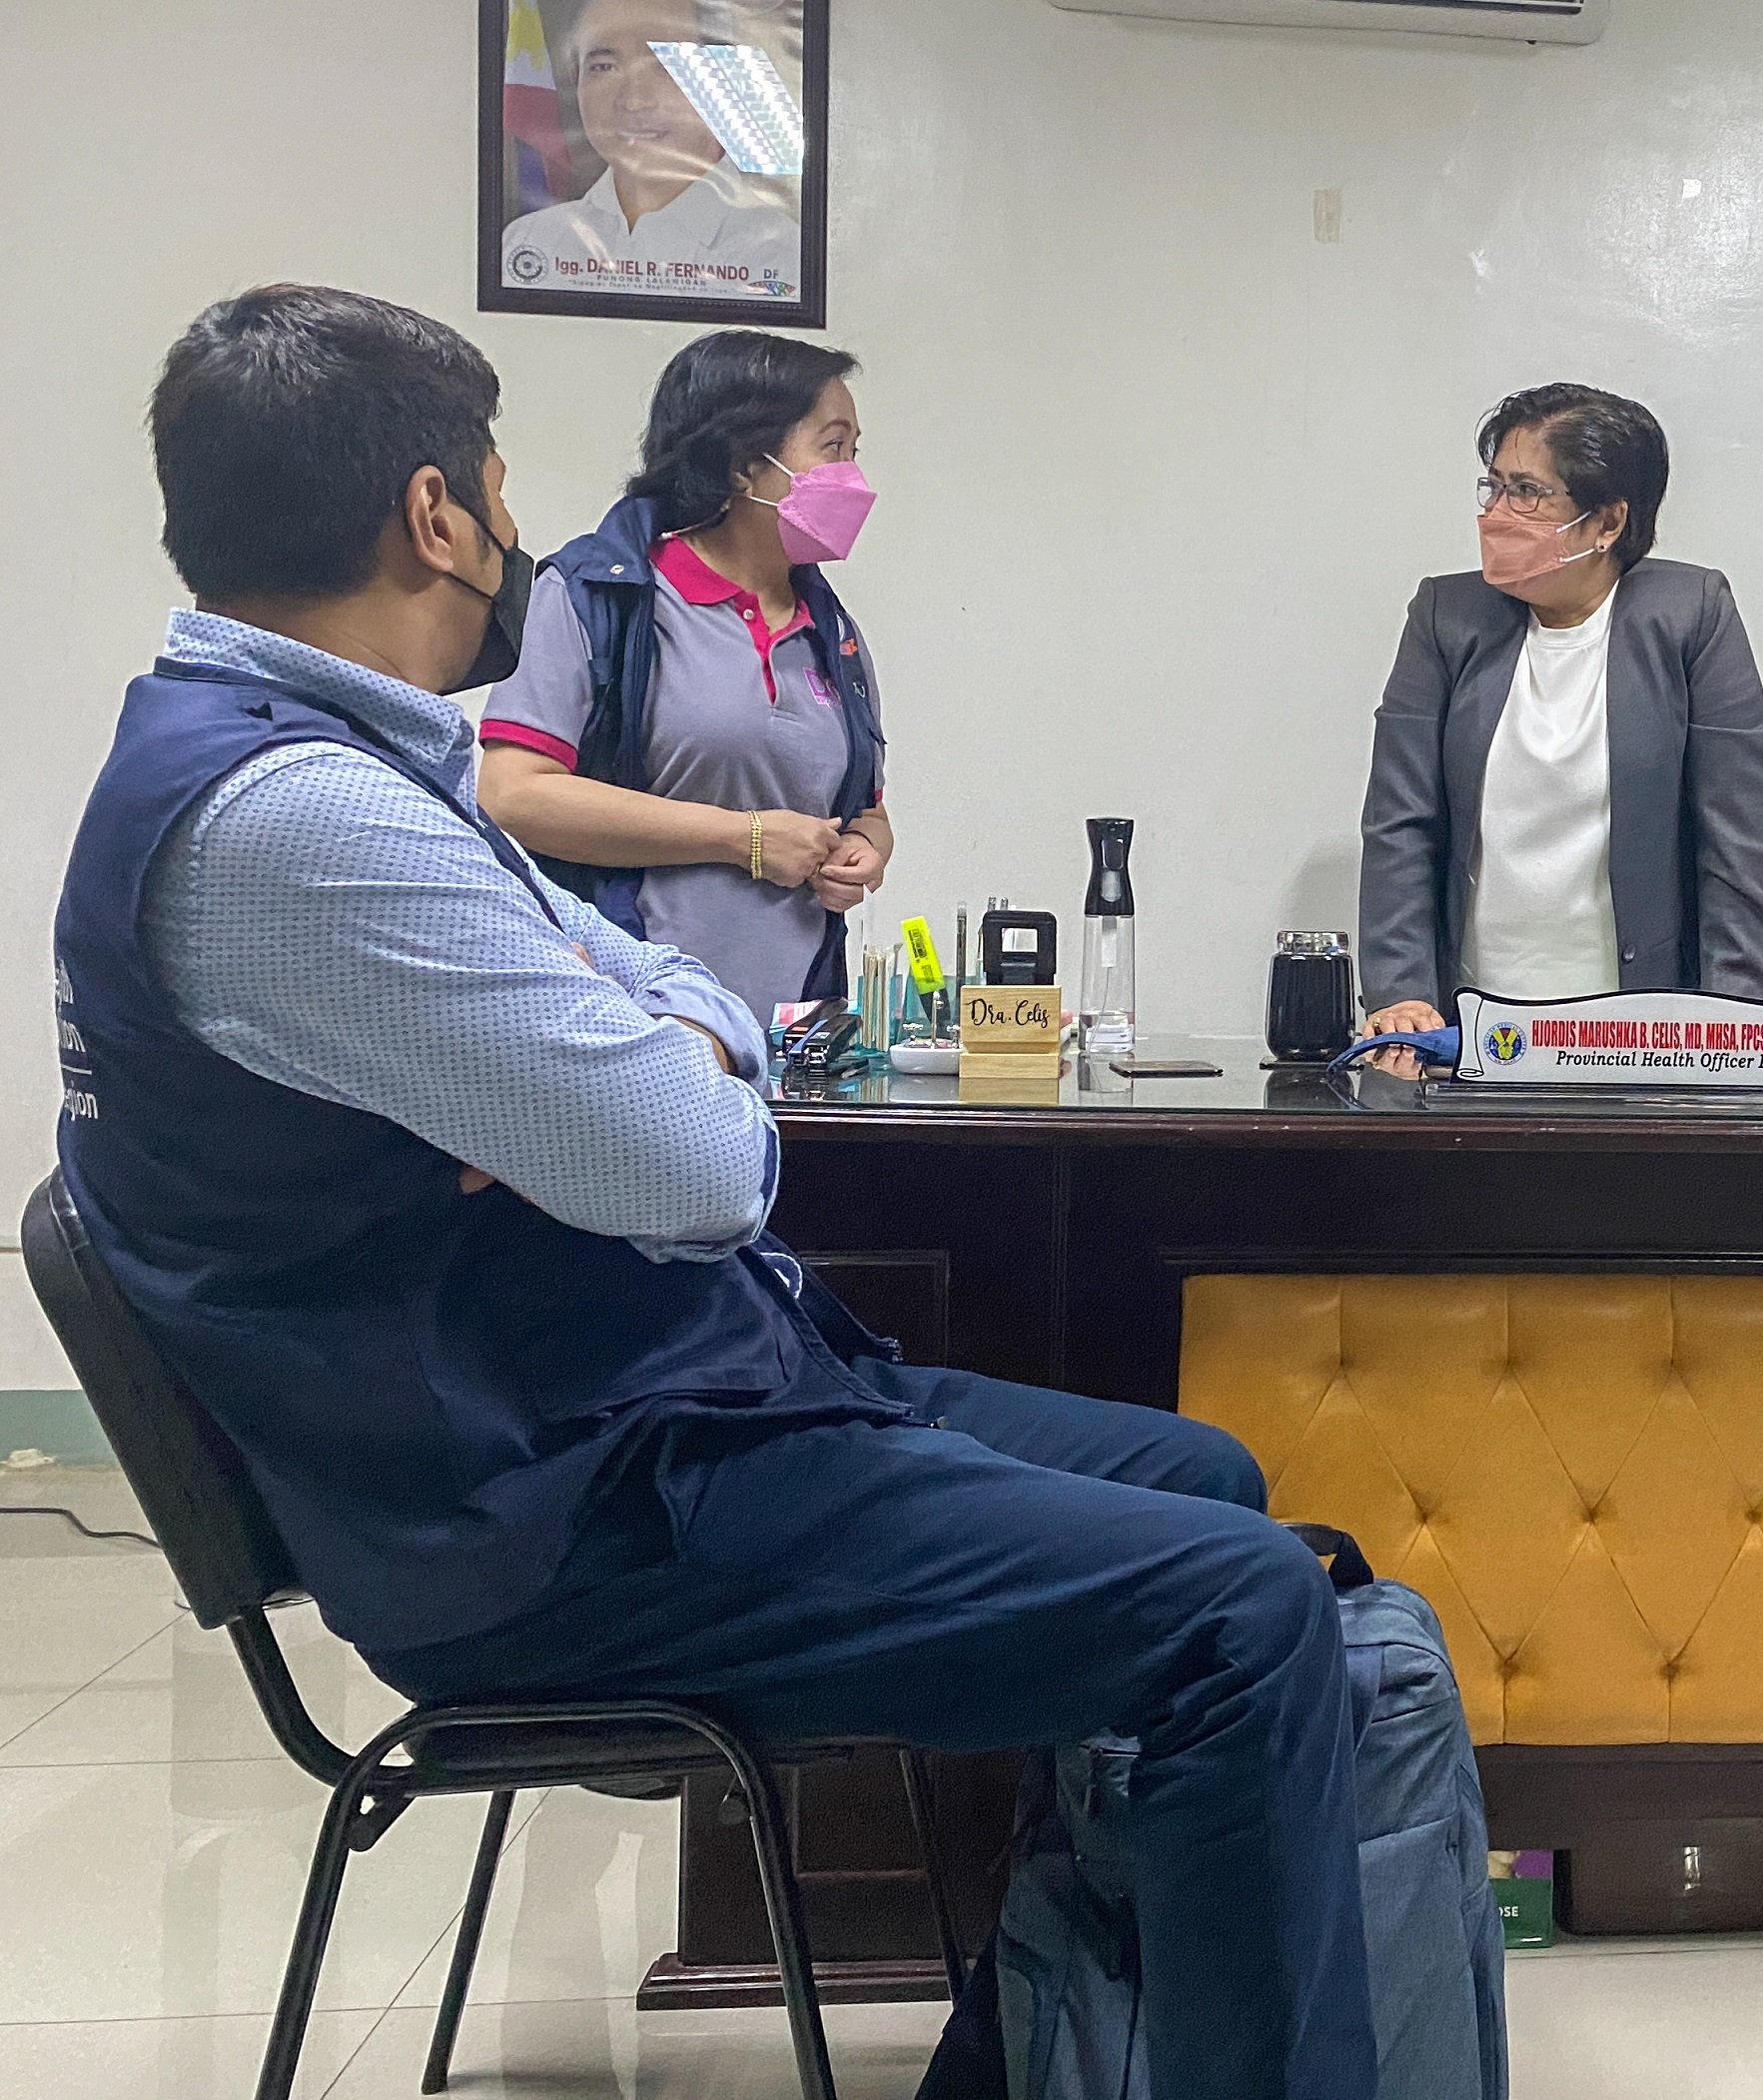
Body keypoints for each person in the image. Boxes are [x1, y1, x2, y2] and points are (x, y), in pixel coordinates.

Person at [57, 285, 1374, 2098]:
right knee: (1242, 1611)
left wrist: (651, 1033)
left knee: (1201, 1478)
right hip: (553, 1513)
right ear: (434, 515)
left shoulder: (335, 761)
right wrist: (660, 1050)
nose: (514, 523)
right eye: (497, 486)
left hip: (632, 1416)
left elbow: (657, 1000)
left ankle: (1037, 2061)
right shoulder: (307, 820)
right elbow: (699, 1169)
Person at [1355, 383, 1763, 1056]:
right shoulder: (1446, 616)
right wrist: (1400, 991)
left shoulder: (1692, 614)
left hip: (1642, 1029)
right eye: (1494, 487)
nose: (1497, 513)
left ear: (1608, 521)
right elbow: (1400, 822)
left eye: (1527, 492)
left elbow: (1735, 843)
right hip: (1472, 1025)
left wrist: (1743, 1033)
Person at [478, 330, 888, 1017]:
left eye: (855, 451)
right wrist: (742, 839)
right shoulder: (601, 596)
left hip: (793, 1031)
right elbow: (513, 795)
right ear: (743, 466)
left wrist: (864, 850)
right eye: (832, 447)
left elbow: (866, 809)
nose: (852, 477)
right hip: (634, 1018)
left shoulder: (830, 631)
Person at [500, 0, 803, 307]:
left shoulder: (778, 252)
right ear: (575, 80)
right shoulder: (530, 241)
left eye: (666, 66)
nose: (634, 101)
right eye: (604, 67)